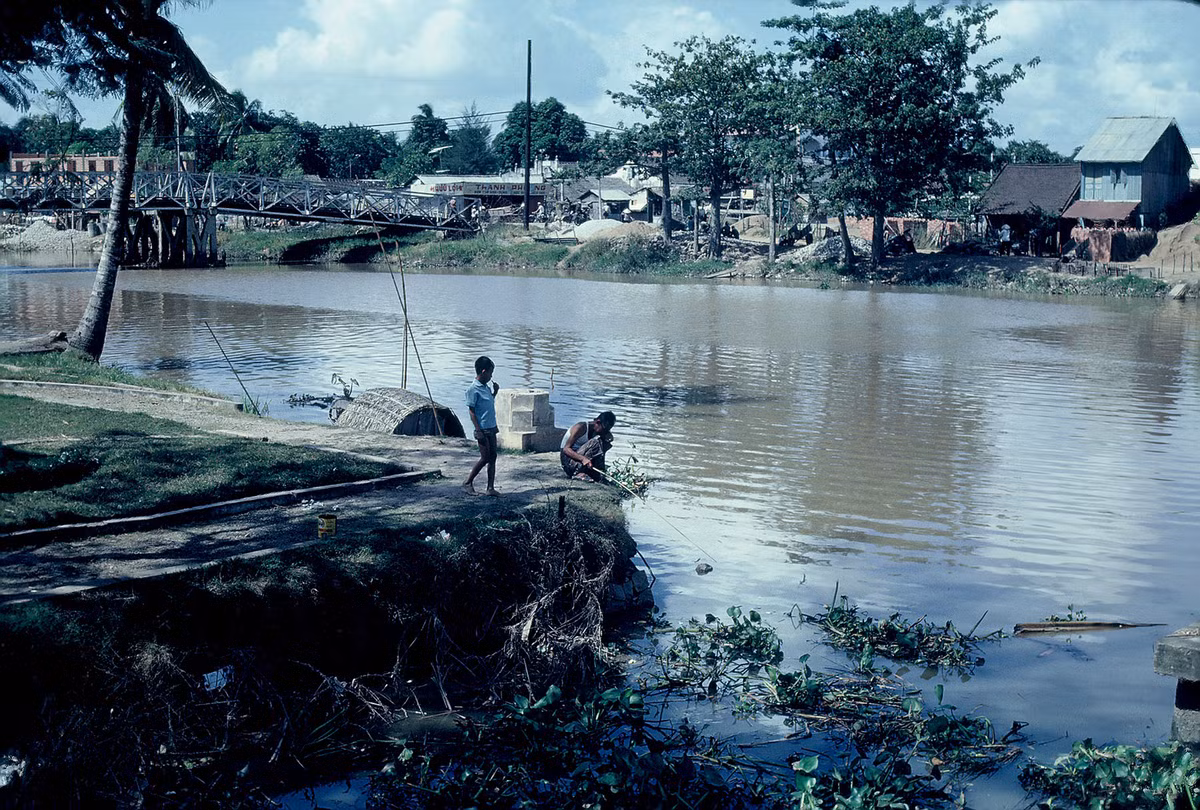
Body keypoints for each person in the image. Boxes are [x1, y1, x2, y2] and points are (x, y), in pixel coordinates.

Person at [463, 355, 500, 496]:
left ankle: (490, 488)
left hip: (491, 426)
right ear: (484, 372)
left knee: (493, 457)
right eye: (490, 373)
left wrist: (494, 392)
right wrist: (478, 430)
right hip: (482, 429)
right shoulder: (473, 389)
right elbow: (472, 412)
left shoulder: (485, 388)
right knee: (485, 458)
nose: (491, 376)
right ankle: (468, 482)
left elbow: (487, 404)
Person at [560, 411, 616, 482]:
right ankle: (578, 472)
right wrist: (583, 459)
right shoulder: (580, 427)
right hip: (568, 462)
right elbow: (566, 449)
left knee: (603, 442)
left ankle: (596, 473)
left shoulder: (597, 431)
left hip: (579, 461)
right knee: (595, 442)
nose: (604, 432)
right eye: (604, 429)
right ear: (598, 422)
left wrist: (607, 440)